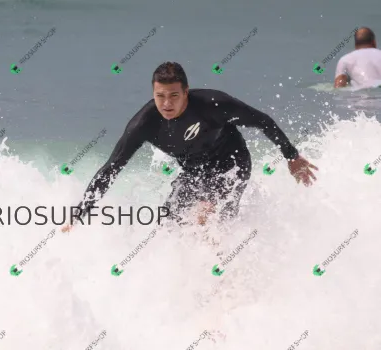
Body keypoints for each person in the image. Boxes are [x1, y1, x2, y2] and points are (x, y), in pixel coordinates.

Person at [62, 61, 318, 232]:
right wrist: (80, 212)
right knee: (169, 224)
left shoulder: (213, 105)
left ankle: (225, 277)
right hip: (195, 171)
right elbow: (112, 167)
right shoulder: (144, 124)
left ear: (186, 92)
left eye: (174, 95)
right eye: (160, 96)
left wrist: (291, 156)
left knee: (206, 218)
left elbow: (263, 121)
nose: (166, 104)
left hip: (232, 164)